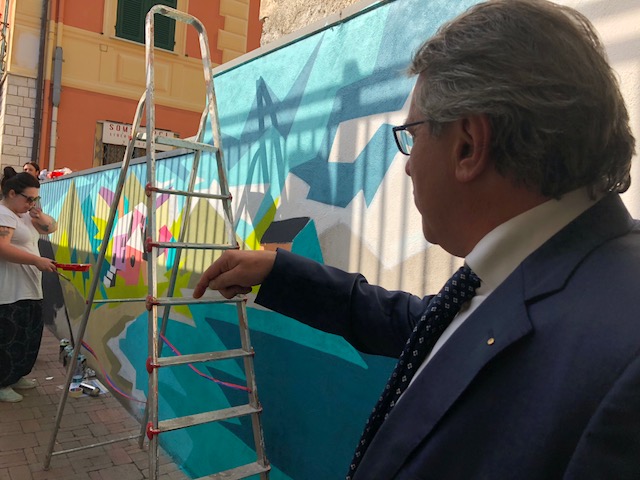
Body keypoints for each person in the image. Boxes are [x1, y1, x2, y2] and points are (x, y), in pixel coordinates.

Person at [194, 0, 639, 478]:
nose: (407, 166)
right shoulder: (535, 278)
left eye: (412, 135)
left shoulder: (623, 368)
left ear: (468, 145)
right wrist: (277, 272)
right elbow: (420, 324)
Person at [0, 167, 58, 403]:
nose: (31, 204)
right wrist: (36, 260)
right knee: (8, 338)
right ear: (12, 193)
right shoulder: (4, 214)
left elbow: (51, 228)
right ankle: (3, 382)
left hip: (29, 287)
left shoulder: (24, 215)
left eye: (36, 199)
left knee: (27, 335)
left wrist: (39, 215)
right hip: (9, 289)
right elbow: (2, 248)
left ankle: (16, 375)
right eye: (29, 199)